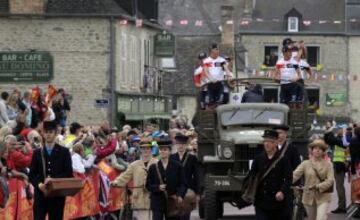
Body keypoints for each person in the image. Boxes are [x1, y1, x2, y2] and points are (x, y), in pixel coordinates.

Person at [29, 120, 73, 220]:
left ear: (55, 133)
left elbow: (68, 173)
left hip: (57, 195)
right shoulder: (37, 153)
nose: (48, 135)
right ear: (43, 134)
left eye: (50, 132)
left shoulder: (64, 152)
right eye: (46, 132)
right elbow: (32, 174)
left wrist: (53, 180)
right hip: (41, 195)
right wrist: (39, 185)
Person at [111, 141, 158, 220]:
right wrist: (116, 182)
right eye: (143, 148)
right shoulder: (134, 165)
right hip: (139, 199)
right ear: (140, 150)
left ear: (151, 150)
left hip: (154, 199)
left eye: (148, 148)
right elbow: (125, 176)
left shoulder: (157, 163)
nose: (146, 150)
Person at [251, 130, 292, 220]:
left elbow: (289, 178)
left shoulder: (283, 159)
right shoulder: (258, 159)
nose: (267, 144)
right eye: (265, 141)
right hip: (261, 202)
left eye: (270, 141)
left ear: (276, 142)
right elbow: (251, 177)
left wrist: (282, 191)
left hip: (278, 202)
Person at [293, 139, 335, 220]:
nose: (317, 150)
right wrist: (284, 183)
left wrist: (318, 186)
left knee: (320, 217)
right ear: (312, 150)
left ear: (323, 151)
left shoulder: (328, 164)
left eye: (320, 149)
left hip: (323, 197)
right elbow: (294, 175)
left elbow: (330, 180)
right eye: (315, 148)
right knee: (311, 218)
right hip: (308, 197)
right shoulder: (305, 163)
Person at [146, 139, 186, 220]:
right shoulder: (153, 167)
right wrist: (158, 187)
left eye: (165, 149)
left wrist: (180, 195)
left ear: (169, 151)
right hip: (157, 202)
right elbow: (148, 185)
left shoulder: (177, 166)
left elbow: (183, 183)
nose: (162, 151)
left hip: (172, 201)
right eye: (161, 149)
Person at [170, 133, 200, 220]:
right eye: (179, 144)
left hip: (188, 190)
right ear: (176, 145)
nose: (180, 146)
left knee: (185, 215)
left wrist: (198, 193)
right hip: (175, 190)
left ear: (186, 145)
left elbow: (197, 175)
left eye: (183, 144)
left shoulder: (192, 158)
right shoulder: (171, 157)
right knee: (174, 214)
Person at [324, 125, 348, 214]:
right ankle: (341, 206)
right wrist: (327, 133)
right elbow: (328, 140)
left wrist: (329, 131)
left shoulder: (343, 140)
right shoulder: (340, 139)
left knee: (339, 187)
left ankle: (342, 207)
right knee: (339, 187)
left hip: (340, 165)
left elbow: (331, 139)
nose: (337, 131)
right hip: (338, 165)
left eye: (340, 129)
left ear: (343, 131)